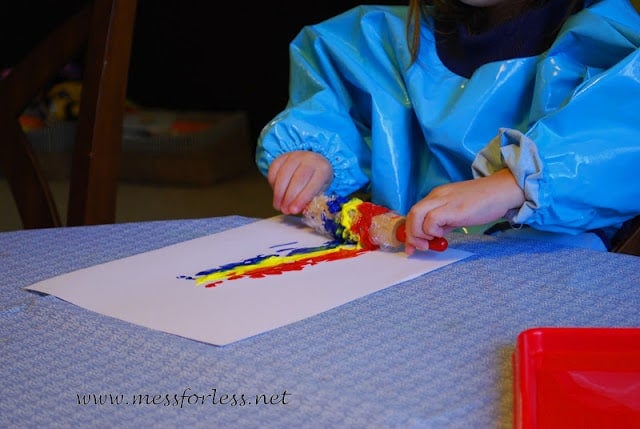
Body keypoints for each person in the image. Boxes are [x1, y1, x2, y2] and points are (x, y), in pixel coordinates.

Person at [255, 0, 640, 254]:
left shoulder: (603, 39)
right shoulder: (384, 36)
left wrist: (514, 183)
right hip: (411, 278)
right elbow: (340, 99)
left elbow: (623, 137)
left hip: (548, 286)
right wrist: (318, 153)